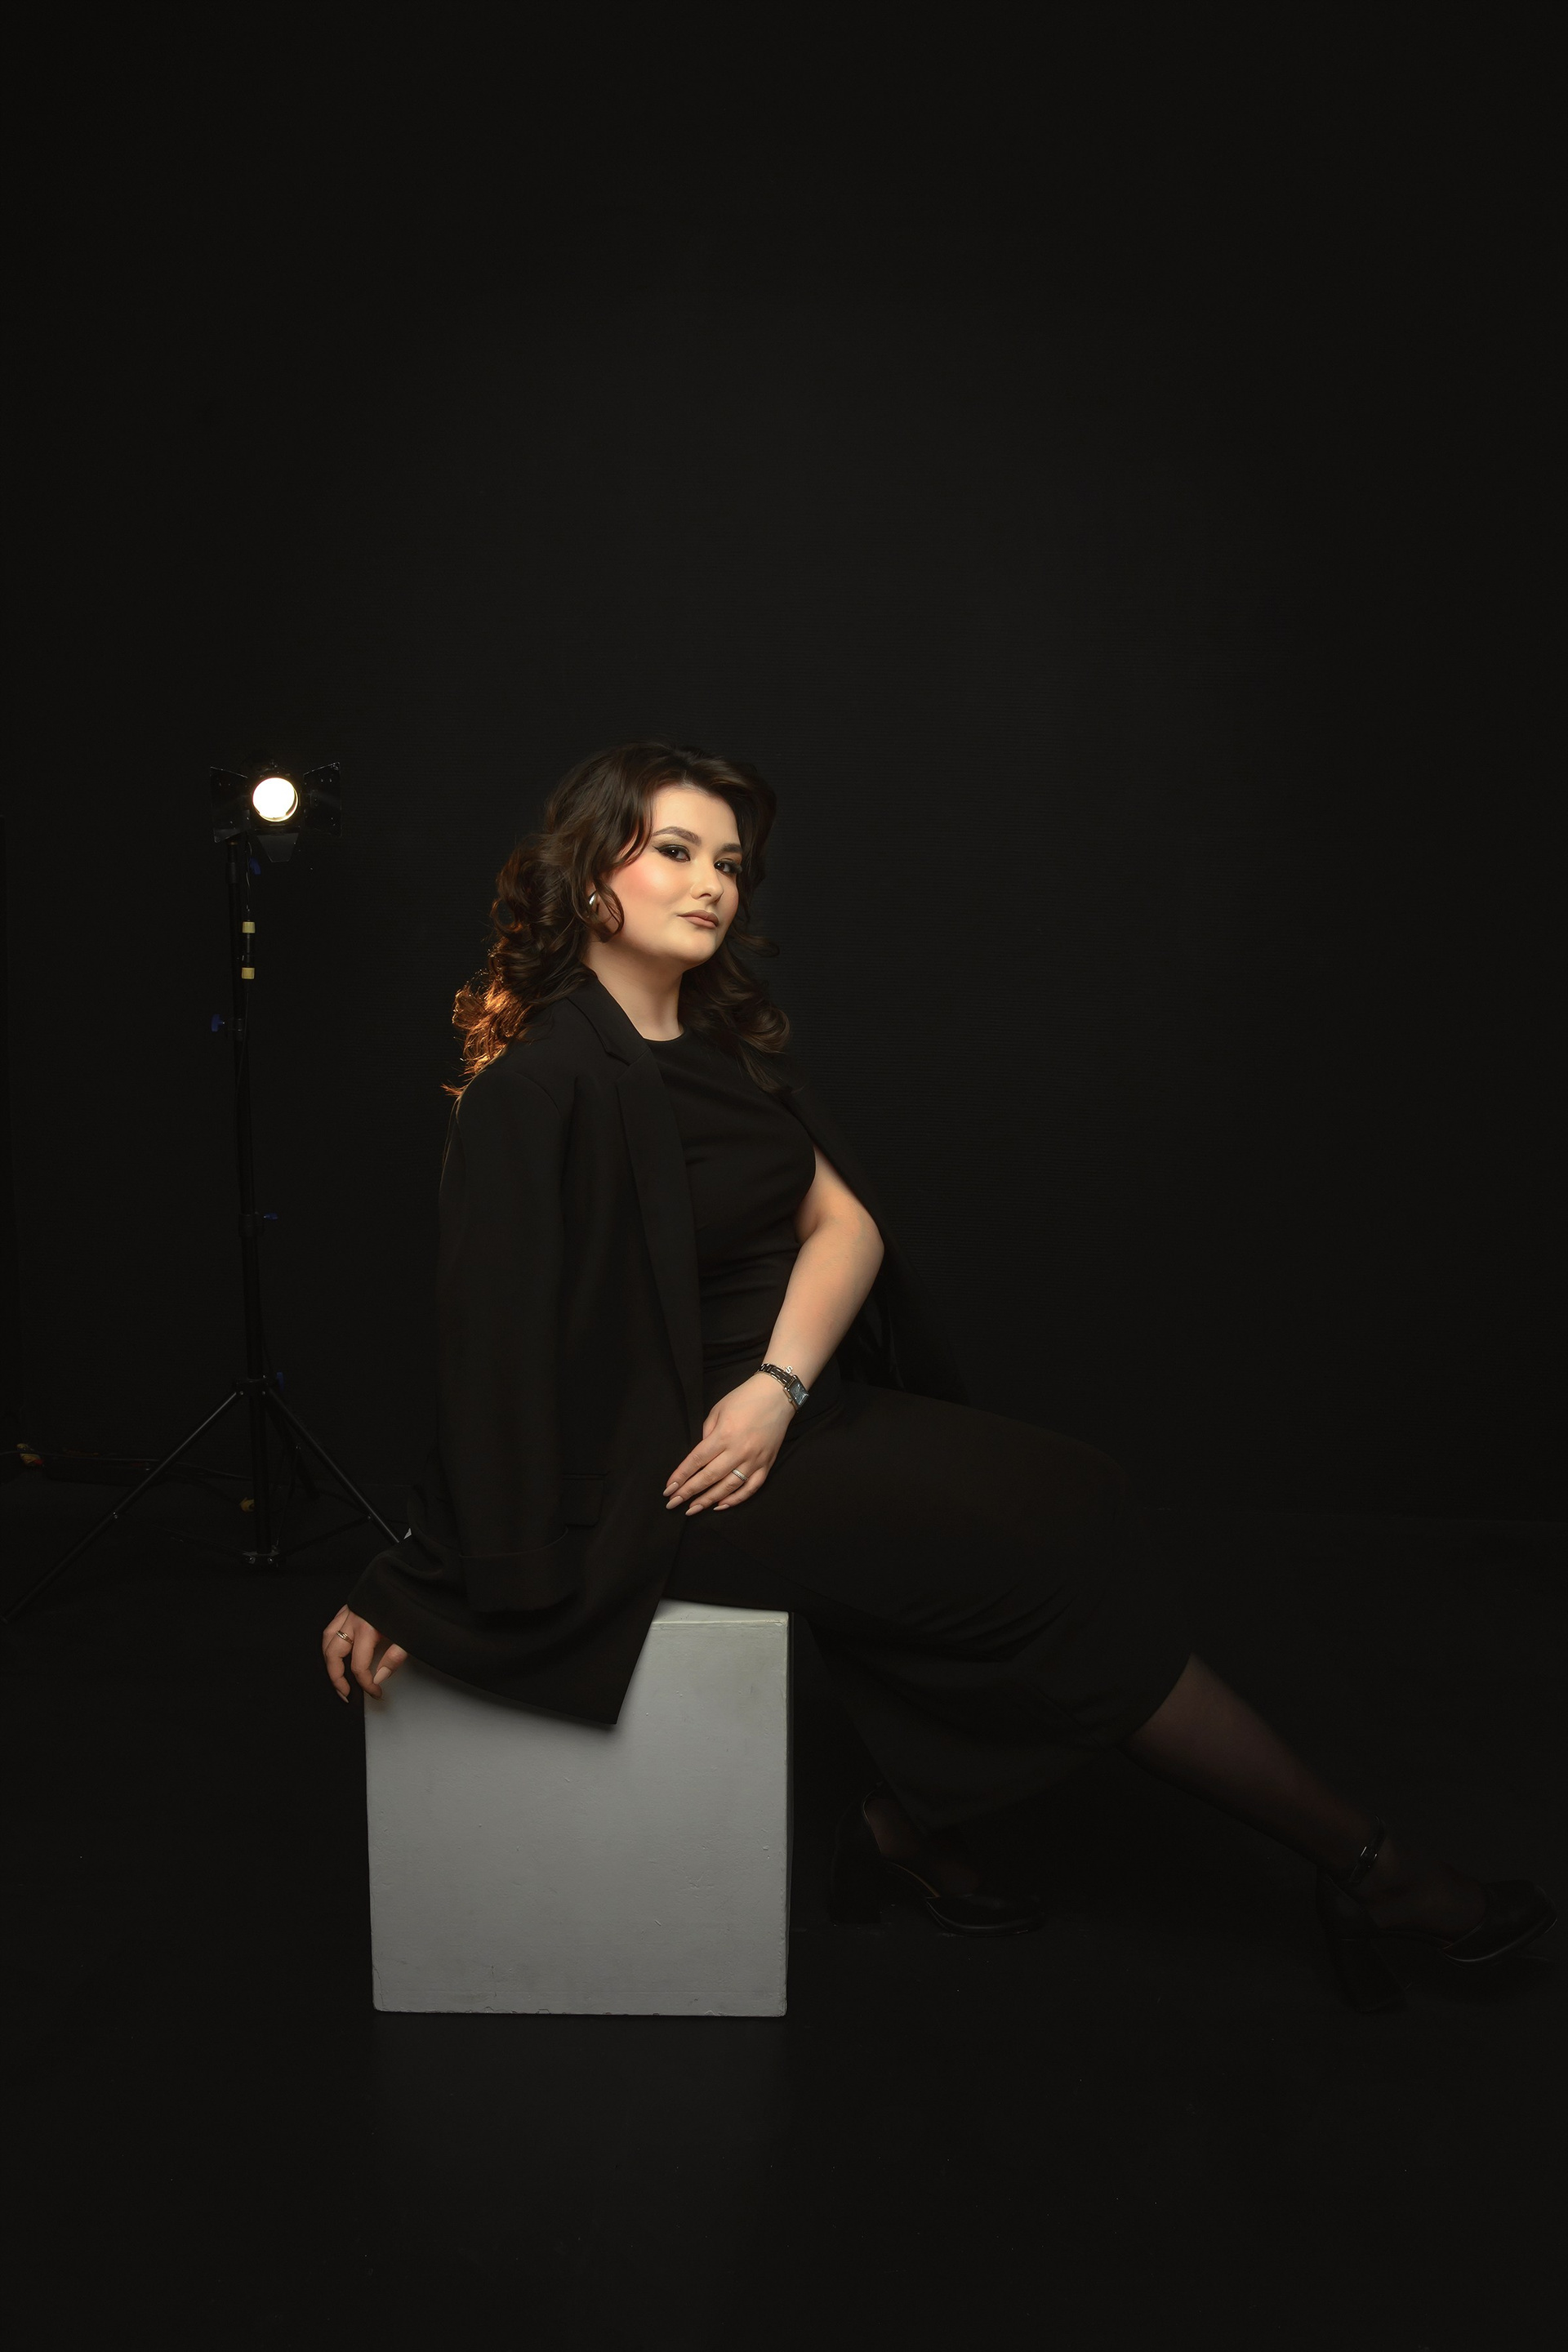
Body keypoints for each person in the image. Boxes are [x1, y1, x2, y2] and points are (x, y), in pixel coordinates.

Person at [323, 741, 1553, 2011]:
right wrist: (417, 1574)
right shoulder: (541, 1083)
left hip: (775, 1420)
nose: (712, 885)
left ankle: (912, 1825)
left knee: (1080, 1494)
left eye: (730, 863)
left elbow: (845, 1225)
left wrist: (779, 1389)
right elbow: (491, 1355)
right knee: (1042, 1556)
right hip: (673, 1479)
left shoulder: (720, 1044)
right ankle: (1370, 1867)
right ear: (591, 878)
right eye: (675, 853)